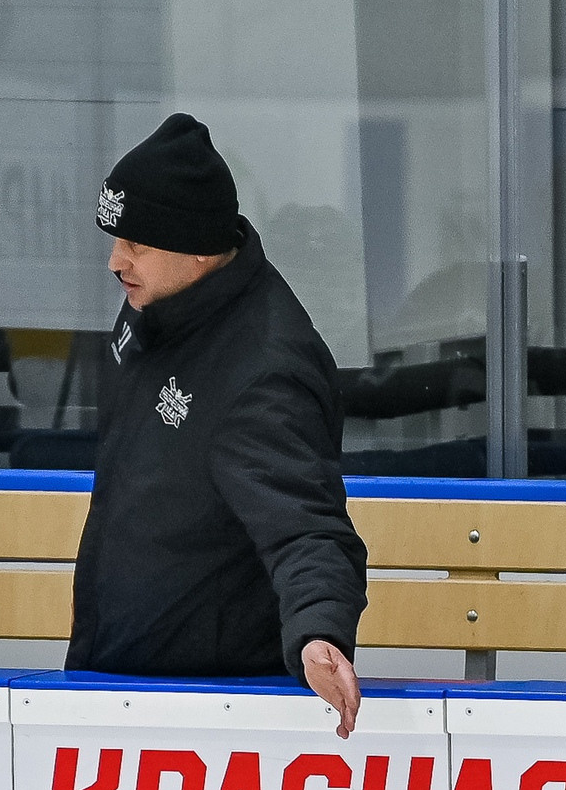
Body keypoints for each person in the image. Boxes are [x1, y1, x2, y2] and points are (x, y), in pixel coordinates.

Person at [72, 113, 367, 737]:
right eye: (116, 238)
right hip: (121, 676)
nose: (115, 261)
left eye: (136, 244)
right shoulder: (155, 307)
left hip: (207, 710)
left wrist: (319, 631)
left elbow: (308, 527)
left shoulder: (263, 370)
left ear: (197, 247)